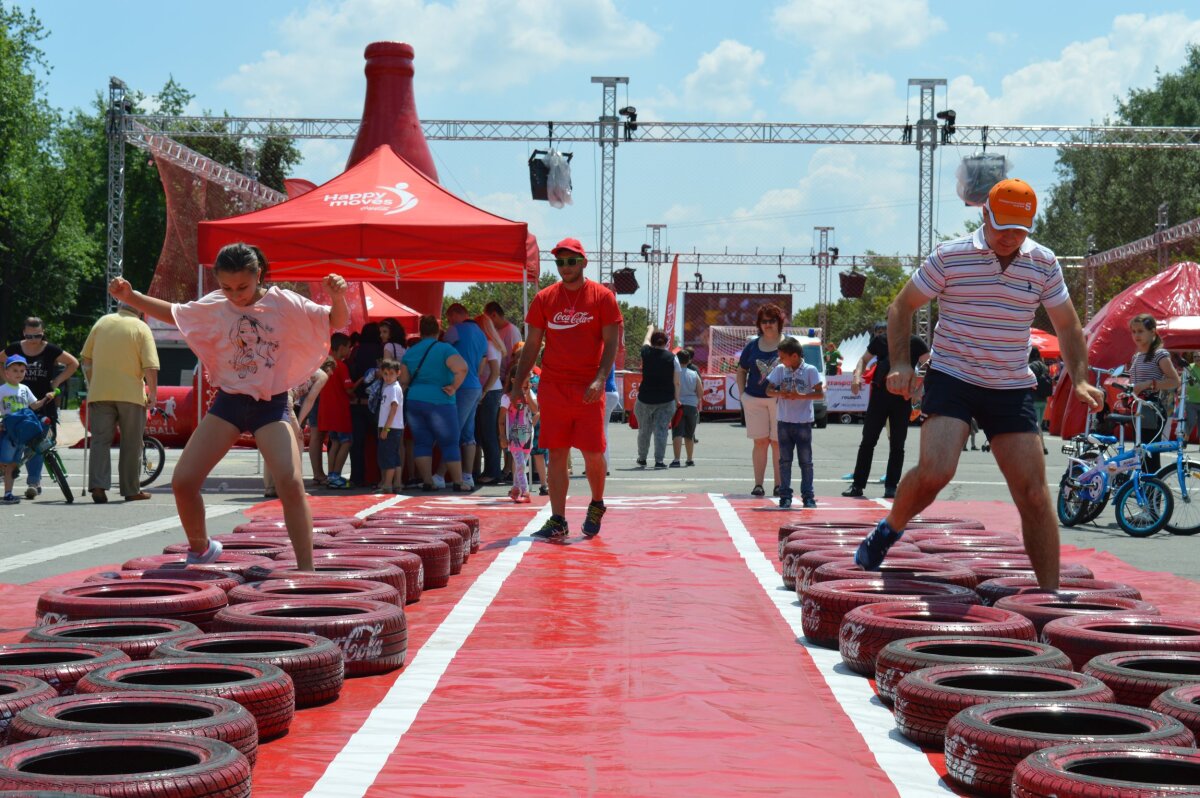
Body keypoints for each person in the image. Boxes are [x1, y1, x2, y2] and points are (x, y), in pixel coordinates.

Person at [854, 178, 1103, 591]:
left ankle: (1049, 597)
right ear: (985, 214)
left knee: (1034, 494)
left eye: (1019, 231)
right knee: (937, 471)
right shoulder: (950, 258)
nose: (1009, 238)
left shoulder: (1043, 262)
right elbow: (901, 307)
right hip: (953, 375)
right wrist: (899, 363)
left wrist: (1078, 378)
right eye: (1001, 226)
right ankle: (888, 529)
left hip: (1009, 383)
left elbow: (1069, 325)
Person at [110, 242, 348, 571]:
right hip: (229, 403)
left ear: (259, 275)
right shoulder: (217, 304)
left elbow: (335, 320)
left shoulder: (283, 302)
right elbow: (176, 313)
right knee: (183, 481)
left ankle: (306, 569)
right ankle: (201, 549)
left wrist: (338, 296)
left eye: (243, 287)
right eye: (226, 287)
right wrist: (130, 297)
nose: (235, 295)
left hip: (271, 405)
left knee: (291, 482)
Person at [512, 237, 622, 540]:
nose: (565, 266)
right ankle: (558, 519)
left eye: (571, 261)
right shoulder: (545, 298)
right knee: (556, 453)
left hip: (588, 388)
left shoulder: (602, 297)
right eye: (560, 261)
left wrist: (601, 379)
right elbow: (532, 343)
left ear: (584, 263)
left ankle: (597, 503)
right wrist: (518, 382)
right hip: (553, 387)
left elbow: (612, 342)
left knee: (592, 452)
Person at [80, 302, 160, 504]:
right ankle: (131, 489)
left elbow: (85, 358)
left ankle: (98, 486)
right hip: (130, 394)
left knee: (100, 441)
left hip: (100, 392)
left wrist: (93, 381)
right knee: (132, 443)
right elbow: (150, 365)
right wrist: (153, 393)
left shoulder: (101, 322)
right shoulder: (141, 327)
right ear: (140, 310)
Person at [842, 321, 929, 499]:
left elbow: (932, 365)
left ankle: (891, 486)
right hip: (879, 396)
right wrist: (856, 377)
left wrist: (918, 390)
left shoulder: (915, 342)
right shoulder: (881, 340)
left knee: (897, 445)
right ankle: (858, 485)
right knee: (868, 441)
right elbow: (863, 360)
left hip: (902, 398)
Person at [5, 318, 79, 499]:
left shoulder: (50, 349)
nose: (33, 339)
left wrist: (57, 381)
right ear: (23, 333)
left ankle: (34, 482)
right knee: (15, 444)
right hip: (18, 405)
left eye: (37, 335)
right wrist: (7, 378)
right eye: (29, 335)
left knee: (38, 444)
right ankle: (10, 476)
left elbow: (73, 363)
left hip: (43, 402)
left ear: (42, 332)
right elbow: (1, 361)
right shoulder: (14, 348)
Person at [400, 314, 468, 491]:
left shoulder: (411, 351)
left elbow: (404, 380)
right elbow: (462, 368)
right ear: (438, 331)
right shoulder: (445, 349)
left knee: (422, 442)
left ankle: (428, 481)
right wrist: (454, 386)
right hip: (441, 401)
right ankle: (459, 482)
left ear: (421, 332)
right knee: (450, 441)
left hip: (414, 400)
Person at [765, 337, 824, 509]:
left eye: (783, 357)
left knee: (806, 461)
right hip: (784, 421)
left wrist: (800, 396)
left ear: (795, 356)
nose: (780, 360)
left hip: (803, 421)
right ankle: (785, 496)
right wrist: (781, 393)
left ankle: (808, 496)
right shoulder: (780, 370)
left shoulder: (810, 370)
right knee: (784, 461)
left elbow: (820, 394)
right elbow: (768, 391)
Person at [736, 303, 787, 497]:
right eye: (764, 321)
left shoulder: (788, 344)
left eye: (772, 320)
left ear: (779, 322)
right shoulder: (752, 345)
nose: (768, 324)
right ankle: (758, 485)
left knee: (777, 443)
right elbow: (741, 370)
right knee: (760, 442)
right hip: (754, 399)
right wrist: (742, 395)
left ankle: (779, 485)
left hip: (780, 401)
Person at [442, 303, 488, 490]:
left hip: (460, 386)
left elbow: (441, 355)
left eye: (449, 318)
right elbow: (482, 363)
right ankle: (467, 475)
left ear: (455, 315)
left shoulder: (454, 330)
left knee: (453, 432)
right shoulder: (481, 333)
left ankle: (439, 475)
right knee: (468, 434)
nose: (448, 322)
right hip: (475, 385)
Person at [0, 355, 57, 504]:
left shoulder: (25, 389)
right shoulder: (3, 390)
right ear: (6, 373)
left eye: (22, 371)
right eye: (15, 370)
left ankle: (8, 493)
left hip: (23, 431)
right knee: (5, 462)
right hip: (8, 430)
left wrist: (45, 398)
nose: (19, 373)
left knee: (13, 463)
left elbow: (34, 405)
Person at [263, 367, 327, 499]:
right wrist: (299, 422)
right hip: (285, 400)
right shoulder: (322, 375)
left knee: (273, 444)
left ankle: (270, 486)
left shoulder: (301, 363)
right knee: (297, 444)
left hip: (270, 396)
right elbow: (310, 400)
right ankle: (297, 488)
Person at [1127, 313, 1180, 472]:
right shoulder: (1136, 356)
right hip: (1138, 408)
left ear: (1153, 332)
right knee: (1140, 453)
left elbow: (1175, 381)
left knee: (1149, 454)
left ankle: (1154, 494)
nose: (1136, 335)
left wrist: (1148, 384)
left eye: (1141, 331)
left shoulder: (1160, 354)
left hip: (1153, 409)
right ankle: (1143, 490)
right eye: (1134, 331)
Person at [634, 324, 681, 469]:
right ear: (667, 343)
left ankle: (642, 458)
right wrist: (677, 399)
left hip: (645, 399)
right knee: (661, 430)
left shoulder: (646, 352)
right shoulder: (673, 358)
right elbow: (677, 382)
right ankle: (659, 461)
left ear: (653, 342)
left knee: (644, 430)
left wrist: (650, 329)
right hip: (666, 400)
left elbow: (646, 340)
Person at [347, 323, 383, 488]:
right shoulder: (382, 350)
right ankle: (379, 477)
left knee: (357, 443)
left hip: (356, 402)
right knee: (379, 442)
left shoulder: (356, 351)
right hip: (377, 403)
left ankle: (357, 477)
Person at [317, 334, 353, 488]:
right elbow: (349, 389)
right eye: (349, 347)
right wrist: (361, 381)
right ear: (342, 347)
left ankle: (331, 475)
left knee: (335, 442)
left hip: (327, 411)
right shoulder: (341, 365)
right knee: (346, 442)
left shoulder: (324, 364)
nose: (350, 351)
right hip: (340, 411)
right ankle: (336, 474)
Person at [375, 357, 405, 494]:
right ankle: (397, 483)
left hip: (391, 427)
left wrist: (386, 428)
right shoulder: (389, 387)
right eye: (385, 374)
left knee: (388, 456)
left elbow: (393, 409)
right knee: (394, 455)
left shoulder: (393, 388)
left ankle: (387, 484)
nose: (388, 377)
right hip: (393, 426)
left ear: (398, 373)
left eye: (391, 373)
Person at [671, 349, 701, 467]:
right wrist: (696, 400)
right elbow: (700, 391)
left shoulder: (674, 373)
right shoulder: (694, 374)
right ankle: (689, 459)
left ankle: (676, 459)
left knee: (677, 433)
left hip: (678, 406)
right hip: (692, 405)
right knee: (690, 433)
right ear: (689, 360)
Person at [1028, 347, 1054, 454]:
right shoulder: (1044, 366)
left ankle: (1040, 447)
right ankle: (1041, 446)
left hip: (1033, 399)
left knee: (1035, 424)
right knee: (1038, 422)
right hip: (1043, 400)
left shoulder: (1030, 366)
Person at [1184, 351, 1200, 443]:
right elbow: (1184, 382)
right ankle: (1186, 439)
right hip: (1191, 401)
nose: (1197, 358)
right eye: (1195, 357)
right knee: (1190, 421)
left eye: (1199, 357)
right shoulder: (1189, 368)